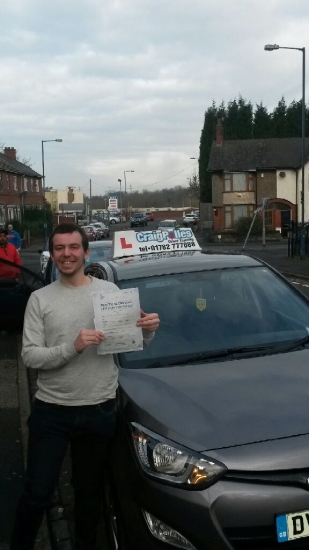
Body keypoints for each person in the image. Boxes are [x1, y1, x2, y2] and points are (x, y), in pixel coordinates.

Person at [10, 223, 160, 550]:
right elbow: (30, 356)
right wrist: (73, 346)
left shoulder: (109, 294)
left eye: (73, 247)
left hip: (98, 410)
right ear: (54, 253)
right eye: (60, 248)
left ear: (85, 252)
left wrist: (147, 330)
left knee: (89, 493)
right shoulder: (39, 299)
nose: (67, 254)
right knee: (36, 492)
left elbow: (131, 343)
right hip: (52, 412)